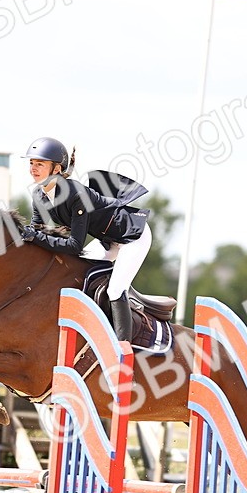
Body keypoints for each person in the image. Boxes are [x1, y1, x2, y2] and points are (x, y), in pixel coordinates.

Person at [19, 137, 152, 343]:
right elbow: (37, 231)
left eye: (40, 164)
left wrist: (35, 236)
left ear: (56, 169)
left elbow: (74, 245)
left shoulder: (74, 193)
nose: (33, 169)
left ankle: (121, 349)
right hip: (107, 239)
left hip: (132, 235)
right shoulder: (39, 195)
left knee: (116, 289)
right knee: (77, 274)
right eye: (31, 163)